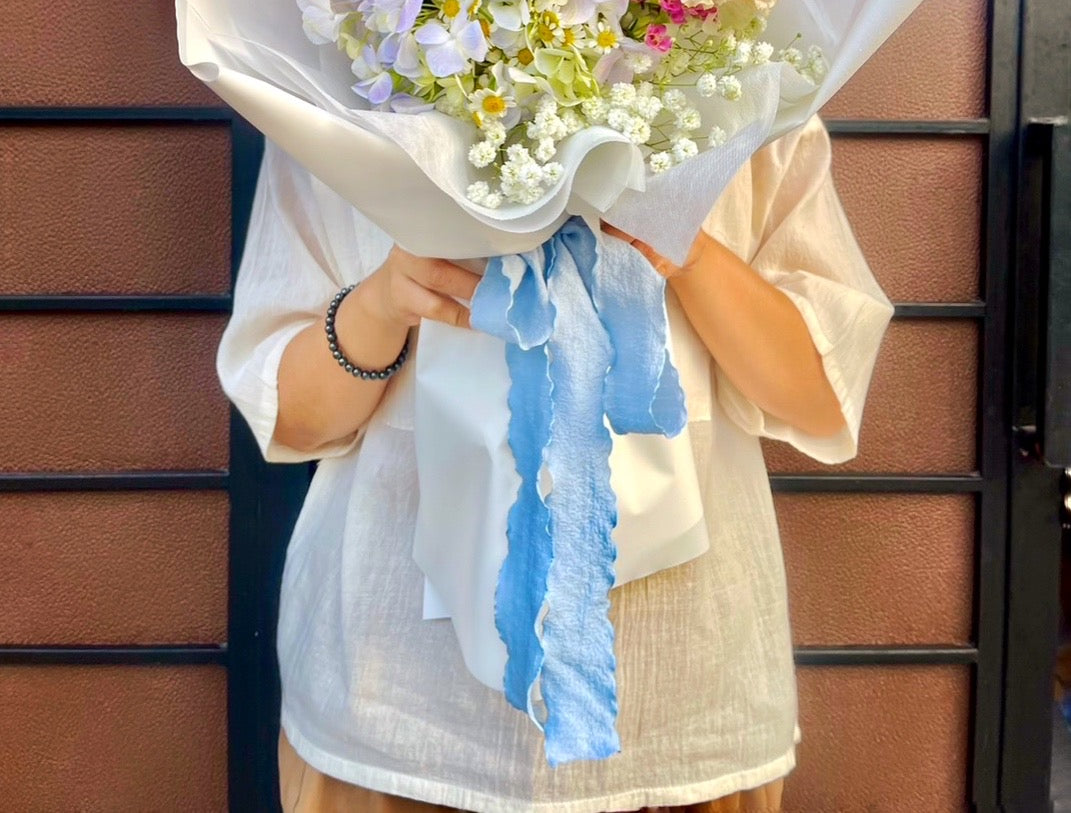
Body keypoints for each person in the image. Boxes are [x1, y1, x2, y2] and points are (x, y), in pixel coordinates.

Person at [218, 113, 893, 813]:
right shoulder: (332, 103)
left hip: (683, 719)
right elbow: (289, 416)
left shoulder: (752, 101)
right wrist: (382, 304)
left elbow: (821, 396)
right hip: (398, 715)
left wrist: (687, 247)